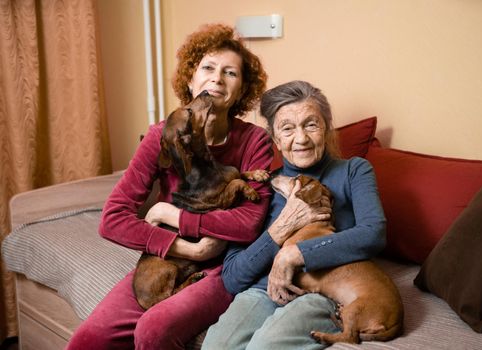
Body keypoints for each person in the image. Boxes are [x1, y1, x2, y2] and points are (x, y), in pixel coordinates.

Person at [66, 23, 272, 349]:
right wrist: (188, 247)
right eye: (208, 68)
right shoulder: (162, 135)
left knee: (153, 330)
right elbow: (113, 219)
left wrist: (172, 215)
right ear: (190, 79)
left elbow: (248, 223)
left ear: (242, 89)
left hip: (223, 267)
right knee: (87, 340)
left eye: (230, 73)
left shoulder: (255, 141)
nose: (217, 78)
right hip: (167, 259)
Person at [202, 80, 387, 350]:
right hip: (263, 289)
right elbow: (232, 276)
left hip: (326, 289)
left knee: (265, 346)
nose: (301, 138)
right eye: (287, 129)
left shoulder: (353, 171)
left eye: (311, 124)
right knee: (216, 346)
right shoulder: (261, 186)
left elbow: (374, 233)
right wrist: (280, 232)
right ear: (276, 139)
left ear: (325, 128)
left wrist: (295, 254)